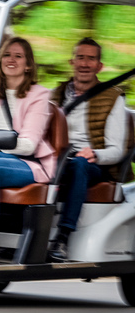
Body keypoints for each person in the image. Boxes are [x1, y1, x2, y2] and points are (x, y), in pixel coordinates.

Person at [0, 37, 56, 265]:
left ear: (28, 64)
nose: (11, 60)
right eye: (7, 55)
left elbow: (28, 144)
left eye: (18, 56)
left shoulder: (40, 95)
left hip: (28, 163)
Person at [47, 38, 128, 261]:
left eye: (91, 59)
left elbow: (117, 150)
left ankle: (63, 237)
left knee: (79, 165)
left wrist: (95, 153)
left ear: (99, 66)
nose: (85, 63)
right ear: (71, 62)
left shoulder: (113, 98)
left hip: (92, 163)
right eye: (80, 57)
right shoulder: (54, 95)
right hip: (55, 159)